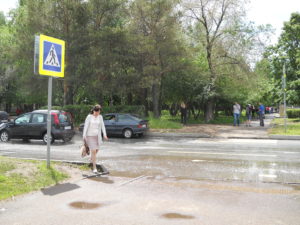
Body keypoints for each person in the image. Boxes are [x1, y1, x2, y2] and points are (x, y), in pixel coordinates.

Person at [83, 104, 108, 173]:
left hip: (97, 136)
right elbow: (85, 126)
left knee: (97, 150)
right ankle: (94, 168)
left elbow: (103, 126)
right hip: (90, 136)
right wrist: (84, 135)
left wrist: (105, 135)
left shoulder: (100, 117)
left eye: (99, 112)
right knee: (93, 151)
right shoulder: (89, 117)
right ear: (93, 111)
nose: (97, 114)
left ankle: (91, 159)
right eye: (96, 112)